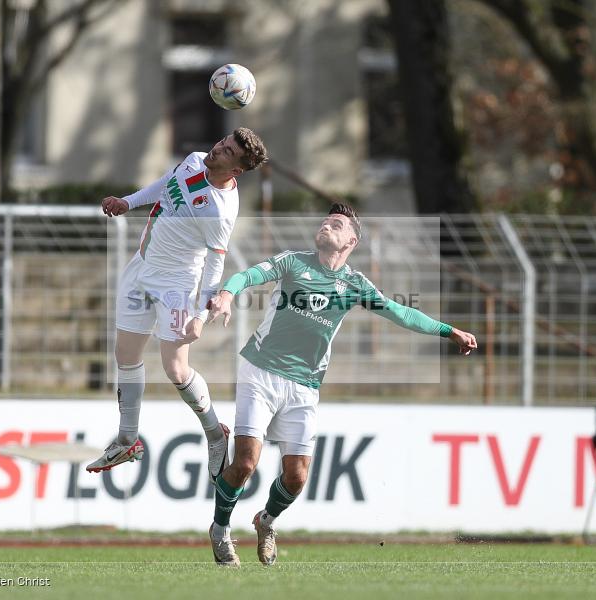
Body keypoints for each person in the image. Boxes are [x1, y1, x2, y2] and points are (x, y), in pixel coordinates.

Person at [204, 204, 478, 566]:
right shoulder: (293, 262)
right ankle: (221, 531)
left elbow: (401, 313)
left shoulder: (354, 285)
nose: (326, 226)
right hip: (260, 370)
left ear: (351, 240)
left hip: (304, 386)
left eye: (336, 225)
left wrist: (449, 331)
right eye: (324, 222)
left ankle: (266, 522)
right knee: (245, 463)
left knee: (297, 476)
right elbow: (250, 275)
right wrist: (227, 293)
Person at [86, 128, 268, 482]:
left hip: (177, 285)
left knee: (176, 369)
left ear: (237, 170)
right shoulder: (194, 161)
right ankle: (126, 440)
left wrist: (200, 314)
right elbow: (164, 184)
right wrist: (128, 202)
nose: (218, 149)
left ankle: (216, 434)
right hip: (140, 267)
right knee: (125, 356)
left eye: (228, 152)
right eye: (223, 142)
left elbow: (216, 263)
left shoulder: (221, 208)